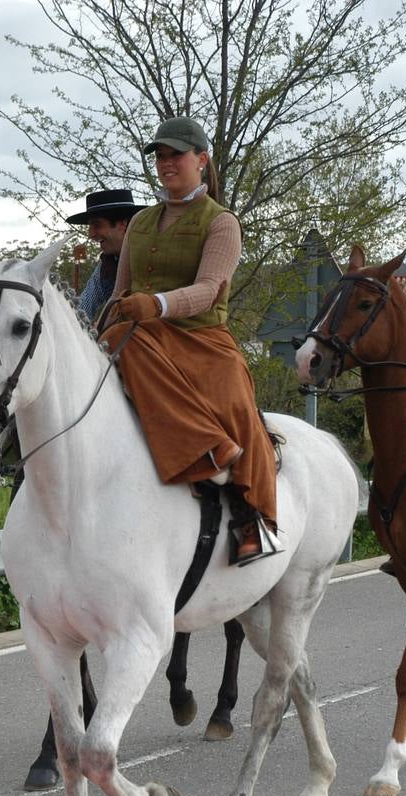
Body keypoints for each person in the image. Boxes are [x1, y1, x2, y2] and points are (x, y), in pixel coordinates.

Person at [99, 115, 280, 566]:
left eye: (174, 155)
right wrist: (101, 325)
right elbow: (121, 292)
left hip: (202, 339)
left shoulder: (222, 223)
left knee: (238, 408)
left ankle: (249, 514)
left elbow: (207, 290)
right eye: (160, 157)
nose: (165, 164)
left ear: (201, 160)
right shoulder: (139, 223)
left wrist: (155, 305)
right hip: (140, 335)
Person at [66, 189, 146, 321]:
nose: (90, 235)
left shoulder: (154, 256)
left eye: (97, 225)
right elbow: (82, 310)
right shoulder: (105, 267)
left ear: (123, 224)